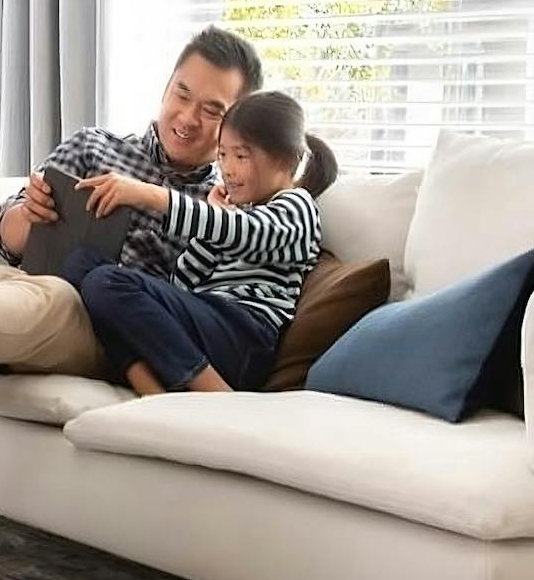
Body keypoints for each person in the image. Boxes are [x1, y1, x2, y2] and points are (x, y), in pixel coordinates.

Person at [0, 27, 262, 374]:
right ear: (167, 87)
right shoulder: (94, 147)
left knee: (52, 300)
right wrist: (27, 217)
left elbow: (199, 307)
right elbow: (2, 239)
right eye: (182, 94)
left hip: (104, 324)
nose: (187, 118)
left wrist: (212, 228)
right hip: (25, 277)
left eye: (212, 111)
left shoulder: (226, 207)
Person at [69, 91, 337, 395]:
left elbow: (250, 233)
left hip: (244, 338)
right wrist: (212, 229)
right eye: (223, 155)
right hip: (207, 324)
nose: (228, 169)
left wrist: (153, 196)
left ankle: (218, 397)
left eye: (241, 155)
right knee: (83, 265)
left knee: (108, 283)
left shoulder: (297, 206)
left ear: (288, 159)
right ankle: (150, 389)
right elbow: (184, 282)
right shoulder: (236, 218)